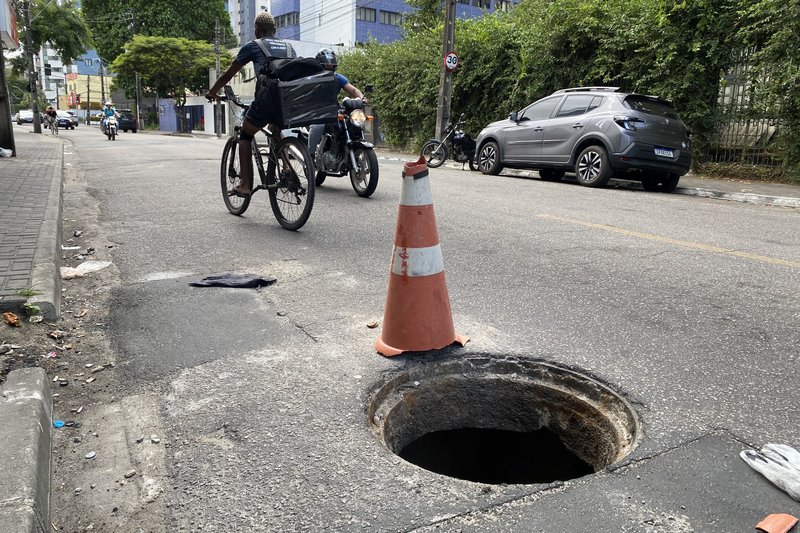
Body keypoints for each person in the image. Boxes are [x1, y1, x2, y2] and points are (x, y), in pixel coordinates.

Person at [206, 11, 296, 198]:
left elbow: (227, 75)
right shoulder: (289, 48)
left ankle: (245, 184)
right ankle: (287, 168)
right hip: (287, 101)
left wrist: (212, 92)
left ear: (257, 30)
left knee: (245, 135)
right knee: (275, 129)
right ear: (275, 29)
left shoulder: (254, 46)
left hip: (265, 100)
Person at [307, 48, 367, 159]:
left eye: (331, 66)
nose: (328, 68)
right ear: (319, 65)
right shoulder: (313, 78)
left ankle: (343, 150)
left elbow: (353, 90)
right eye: (326, 66)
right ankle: (309, 155)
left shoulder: (338, 78)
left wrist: (362, 98)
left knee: (351, 122)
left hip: (333, 110)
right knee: (318, 126)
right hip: (316, 111)